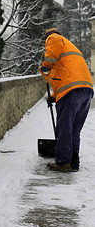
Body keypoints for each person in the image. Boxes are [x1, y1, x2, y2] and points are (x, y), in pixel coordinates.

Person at [40, 28, 94, 172]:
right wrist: (53, 96)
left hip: (71, 91)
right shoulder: (69, 48)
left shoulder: (54, 38)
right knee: (74, 130)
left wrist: (45, 65)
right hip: (86, 90)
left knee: (64, 128)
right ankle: (73, 162)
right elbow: (64, 77)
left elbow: (51, 57)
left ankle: (63, 162)